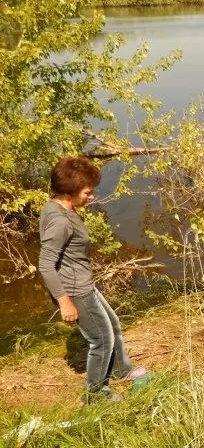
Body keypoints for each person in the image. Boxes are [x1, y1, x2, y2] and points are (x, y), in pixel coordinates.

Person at [38, 157, 146, 404]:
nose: (92, 196)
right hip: (75, 290)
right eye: (88, 192)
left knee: (112, 324)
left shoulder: (57, 206)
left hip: (82, 282)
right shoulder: (60, 222)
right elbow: (45, 264)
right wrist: (64, 302)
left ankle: (121, 369)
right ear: (69, 191)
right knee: (101, 339)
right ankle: (94, 394)